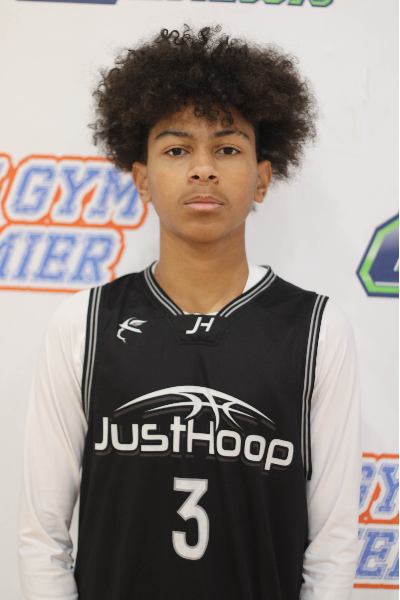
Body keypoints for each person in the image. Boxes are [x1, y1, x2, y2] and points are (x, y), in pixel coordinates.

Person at [18, 25, 361, 600]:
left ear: (262, 178)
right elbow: (43, 536)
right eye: (177, 150)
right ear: (143, 179)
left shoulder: (317, 330)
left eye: (227, 149)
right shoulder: (83, 324)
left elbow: (332, 547)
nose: (203, 169)